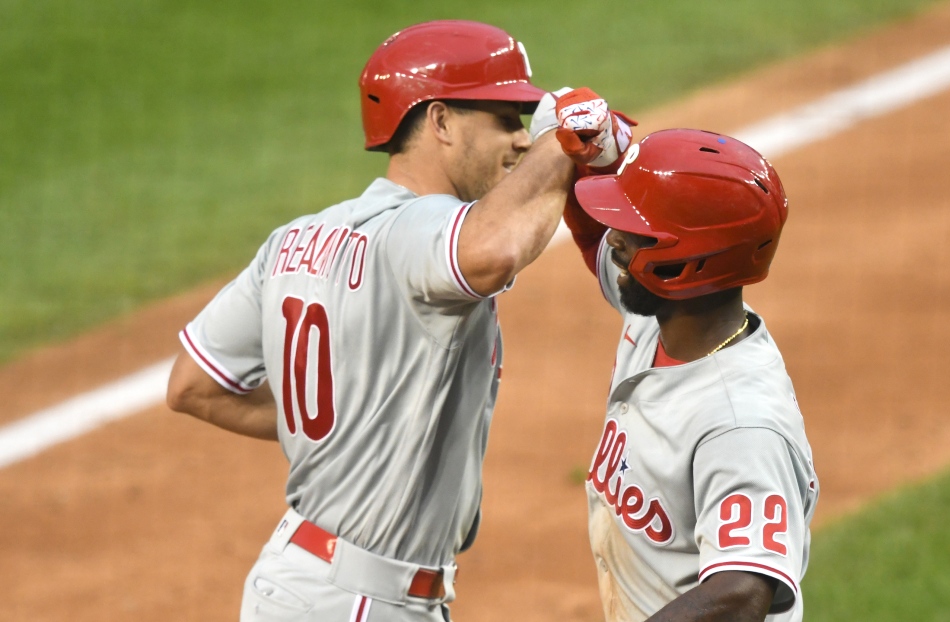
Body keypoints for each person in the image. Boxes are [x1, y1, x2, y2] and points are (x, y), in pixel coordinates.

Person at [164, 20, 630, 622]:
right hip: (355, 601)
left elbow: (192, 385)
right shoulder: (417, 229)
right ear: (439, 121)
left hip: (306, 582)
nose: (519, 140)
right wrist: (563, 145)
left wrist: (348, 429)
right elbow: (492, 251)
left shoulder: (296, 239)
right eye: (504, 120)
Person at [559, 128, 819, 621]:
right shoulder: (662, 318)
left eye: (635, 230)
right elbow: (596, 236)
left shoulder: (741, 425)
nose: (615, 238)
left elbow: (742, 591)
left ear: (684, 265)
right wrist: (594, 153)